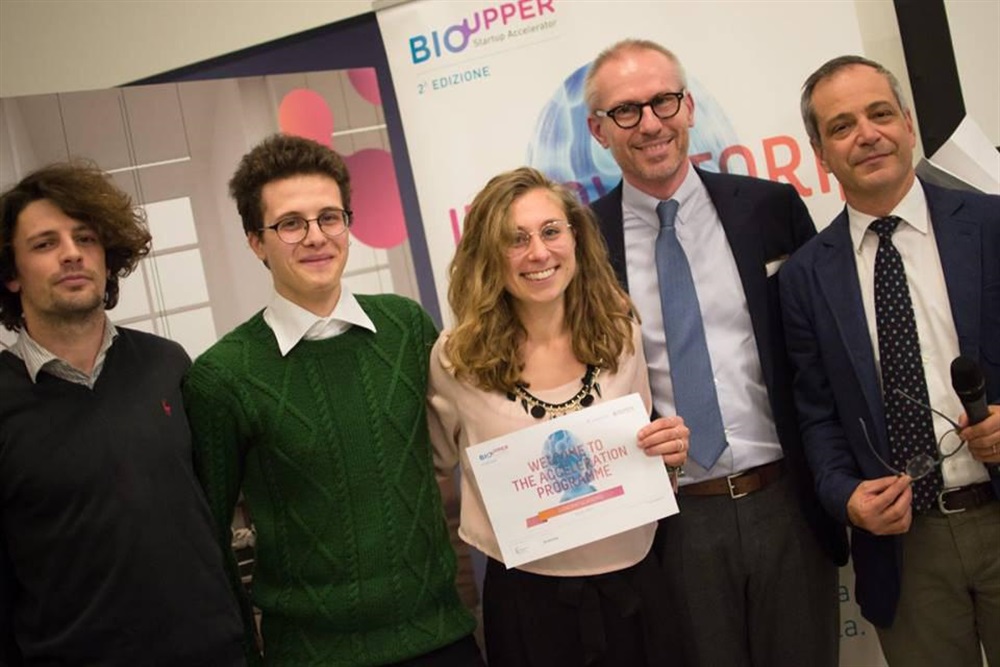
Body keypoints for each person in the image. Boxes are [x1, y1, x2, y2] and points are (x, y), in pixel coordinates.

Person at [585, 39, 848, 666]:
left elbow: (826, 358)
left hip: (787, 502)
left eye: (664, 101)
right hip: (670, 525)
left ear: (689, 107)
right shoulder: (581, 243)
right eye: (626, 111)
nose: (650, 123)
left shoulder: (771, 209)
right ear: (599, 130)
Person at [182, 134, 479, 666]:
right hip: (312, 656)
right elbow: (209, 541)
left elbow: (474, 428)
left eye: (329, 218)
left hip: (442, 638)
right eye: (290, 224)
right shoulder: (222, 377)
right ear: (256, 242)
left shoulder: (406, 326)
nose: (316, 236)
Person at [781, 55, 1000, 667]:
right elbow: (817, 415)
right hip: (905, 549)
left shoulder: (991, 224)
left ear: (908, 123)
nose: (867, 134)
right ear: (820, 154)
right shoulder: (804, 277)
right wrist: (846, 495)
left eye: (879, 114)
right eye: (842, 126)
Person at [428, 166, 689, 666]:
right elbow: (432, 464)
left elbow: (643, 455)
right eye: (515, 239)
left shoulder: (620, 333)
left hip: (637, 587)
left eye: (550, 231)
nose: (538, 253)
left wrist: (668, 454)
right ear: (488, 254)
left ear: (576, 238)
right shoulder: (456, 360)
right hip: (528, 604)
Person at [0, 163, 244, 666]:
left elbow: (212, 513)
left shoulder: (167, 364)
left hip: (214, 653)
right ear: (11, 273)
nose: (72, 253)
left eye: (86, 238)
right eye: (45, 243)